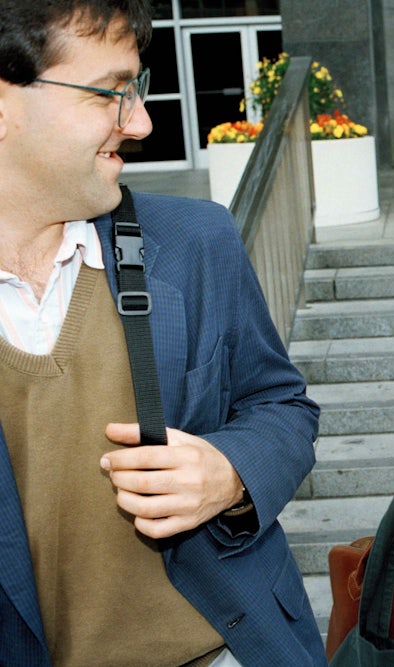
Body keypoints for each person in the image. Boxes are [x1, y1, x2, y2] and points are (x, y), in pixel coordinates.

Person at [0, 1, 326, 665]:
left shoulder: (194, 241)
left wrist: (230, 471)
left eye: (137, 90)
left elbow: (283, 408)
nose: (142, 122)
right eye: (110, 93)